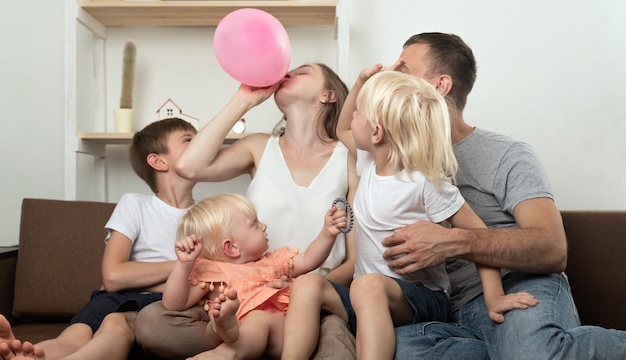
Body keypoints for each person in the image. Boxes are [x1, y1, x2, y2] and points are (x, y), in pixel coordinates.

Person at [379, 32, 626, 359]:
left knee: (532, 352)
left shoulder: (506, 154)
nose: (393, 78)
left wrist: (454, 242)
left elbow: (553, 248)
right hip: (451, 314)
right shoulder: (394, 160)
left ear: (440, 85)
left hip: (519, 288)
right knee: (396, 349)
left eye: (403, 69)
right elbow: (346, 132)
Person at [282, 71, 538, 360]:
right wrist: (359, 85)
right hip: (368, 299)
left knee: (366, 286)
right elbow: (343, 129)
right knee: (306, 284)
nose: (350, 116)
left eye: (358, 113)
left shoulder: (426, 182)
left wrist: (494, 297)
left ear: (377, 133)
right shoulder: (369, 161)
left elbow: (479, 237)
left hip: (422, 299)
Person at [134, 63, 359, 359]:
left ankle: (256, 344)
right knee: (152, 322)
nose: (289, 72)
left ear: (328, 95)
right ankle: (250, 341)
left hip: (313, 304)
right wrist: (245, 99)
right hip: (239, 303)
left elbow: (354, 260)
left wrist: (304, 292)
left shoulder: (350, 156)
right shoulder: (258, 146)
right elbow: (188, 166)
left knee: (335, 345)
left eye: (302, 71)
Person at [0, 118, 198, 360]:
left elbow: (207, 278)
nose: (202, 145)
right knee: (75, 335)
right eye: (190, 140)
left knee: (116, 324)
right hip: (117, 296)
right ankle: (30, 356)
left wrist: (138, 279)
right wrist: (182, 266)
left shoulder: (211, 215)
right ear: (158, 161)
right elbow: (114, 276)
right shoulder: (134, 204)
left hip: (166, 305)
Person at [162, 193, 350, 360]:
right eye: (254, 223)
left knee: (258, 320)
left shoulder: (273, 261)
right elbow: (174, 303)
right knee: (252, 323)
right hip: (246, 335)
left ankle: (226, 341)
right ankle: (220, 343)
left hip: (286, 331)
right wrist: (184, 265)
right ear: (232, 247)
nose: (264, 225)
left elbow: (309, 260)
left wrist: (327, 233)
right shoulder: (212, 272)